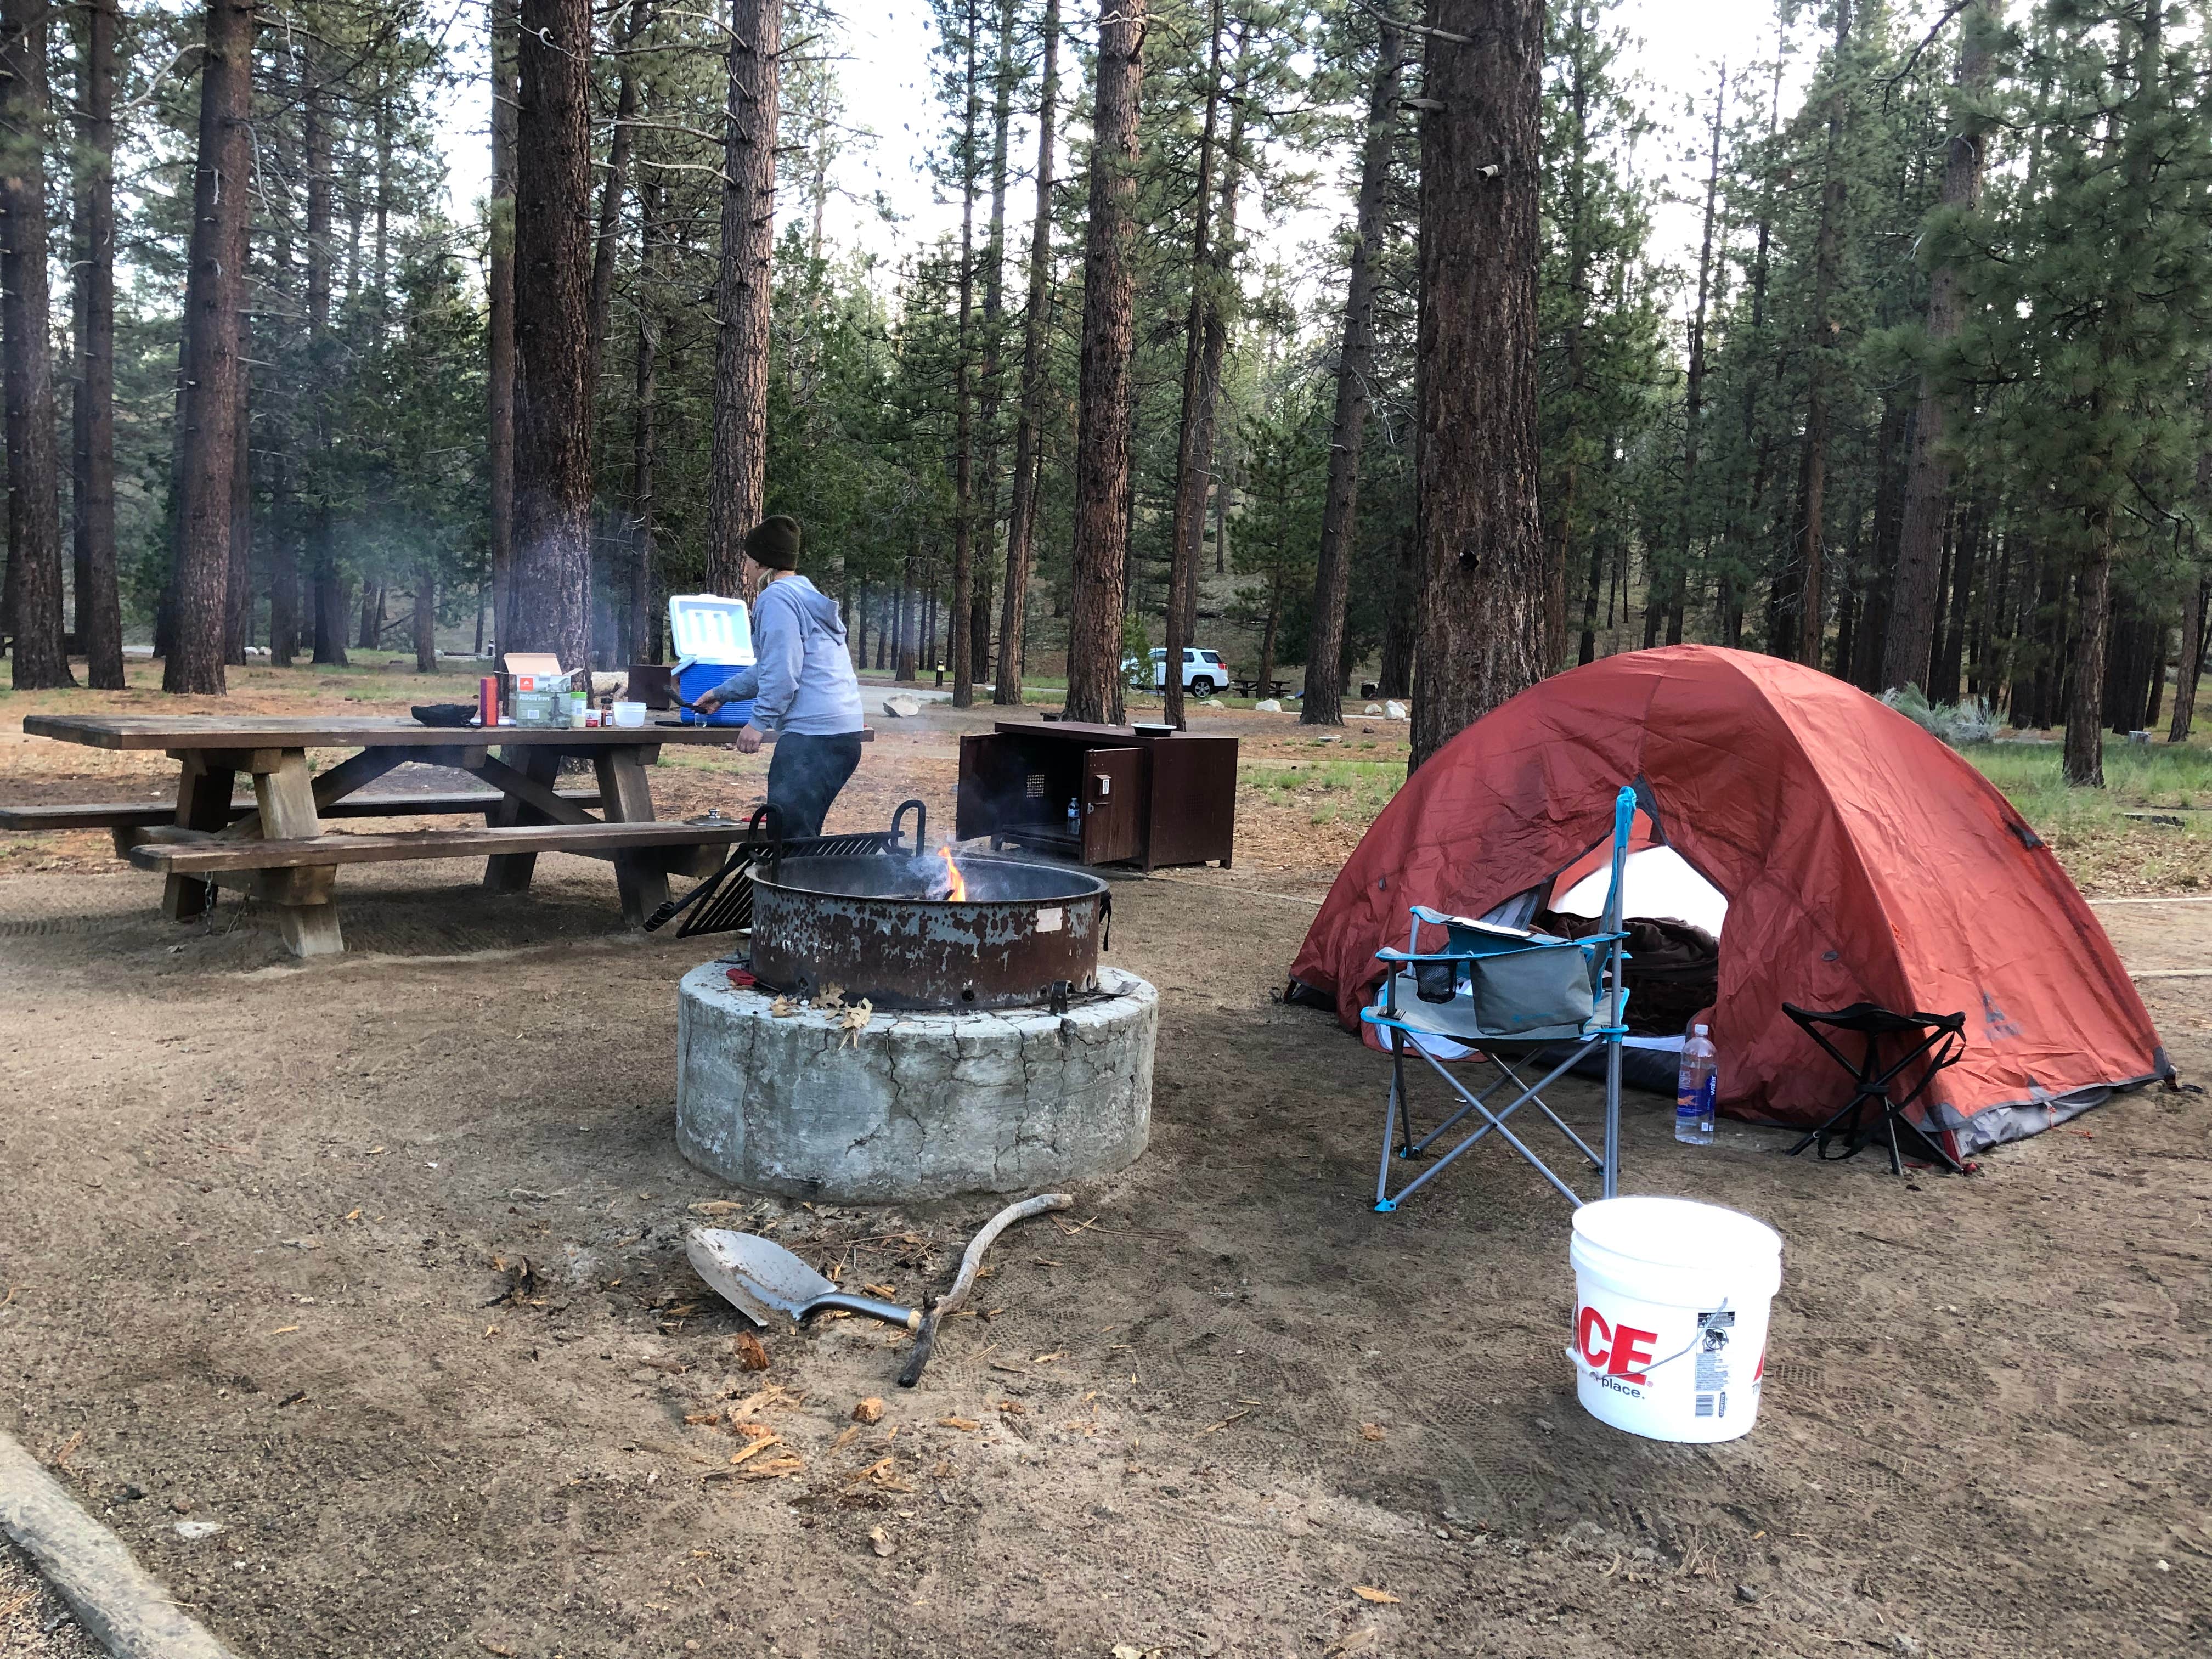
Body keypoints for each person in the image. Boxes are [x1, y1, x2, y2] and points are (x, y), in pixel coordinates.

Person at [691, 516, 866, 838]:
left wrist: (758, 723)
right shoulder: (804, 595)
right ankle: (813, 887)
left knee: (787, 838)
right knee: (802, 836)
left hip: (812, 737)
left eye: (747, 558)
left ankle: (797, 890)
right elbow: (773, 666)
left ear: (761, 561)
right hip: (843, 735)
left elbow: (784, 674)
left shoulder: (777, 598)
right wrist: (723, 693)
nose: (744, 565)